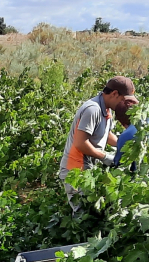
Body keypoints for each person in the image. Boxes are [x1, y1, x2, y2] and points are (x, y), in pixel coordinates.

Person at [58, 76, 138, 210]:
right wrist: (105, 157)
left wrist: (125, 146)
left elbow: (106, 135)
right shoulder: (92, 109)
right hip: (76, 169)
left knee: (92, 212)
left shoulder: (106, 109)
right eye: (124, 100)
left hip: (87, 168)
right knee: (82, 214)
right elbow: (80, 143)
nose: (125, 105)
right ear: (114, 94)